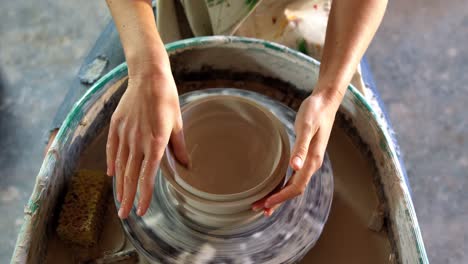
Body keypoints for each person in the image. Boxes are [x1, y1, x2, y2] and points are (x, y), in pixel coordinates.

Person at [48, 0, 387, 220]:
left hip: (301, 13)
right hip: (178, 10)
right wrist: (146, 65)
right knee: (60, 154)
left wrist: (328, 93)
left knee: (372, 167)